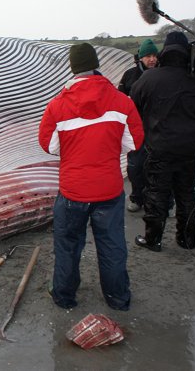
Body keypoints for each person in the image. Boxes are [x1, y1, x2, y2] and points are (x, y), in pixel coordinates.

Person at [39, 43, 143, 311]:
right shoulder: (123, 102)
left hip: (73, 191)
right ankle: (118, 299)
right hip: (108, 190)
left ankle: (64, 296)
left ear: (73, 69)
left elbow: (49, 146)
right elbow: (134, 142)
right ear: (96, 65)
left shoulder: (57, 105)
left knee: (68, 246)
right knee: (112, 246)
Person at [130, 31, 195, 252]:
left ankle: (153, 239)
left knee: (156, 192)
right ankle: (188, 239)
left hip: (160, 147)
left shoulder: (149, 78)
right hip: (190, 148)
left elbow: (134, 106)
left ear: (164, 50)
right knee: (186, 191)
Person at [117, 39, 158, 212]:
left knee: (156, 165)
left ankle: (155, 198)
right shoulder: (130, 75)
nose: (152, 59)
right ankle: (136, 197)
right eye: (148, 56)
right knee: (135, 166)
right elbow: (119, 98)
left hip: (157, 127)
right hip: (135, 127)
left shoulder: (161, 73)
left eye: (154, 55)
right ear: (141, 57)